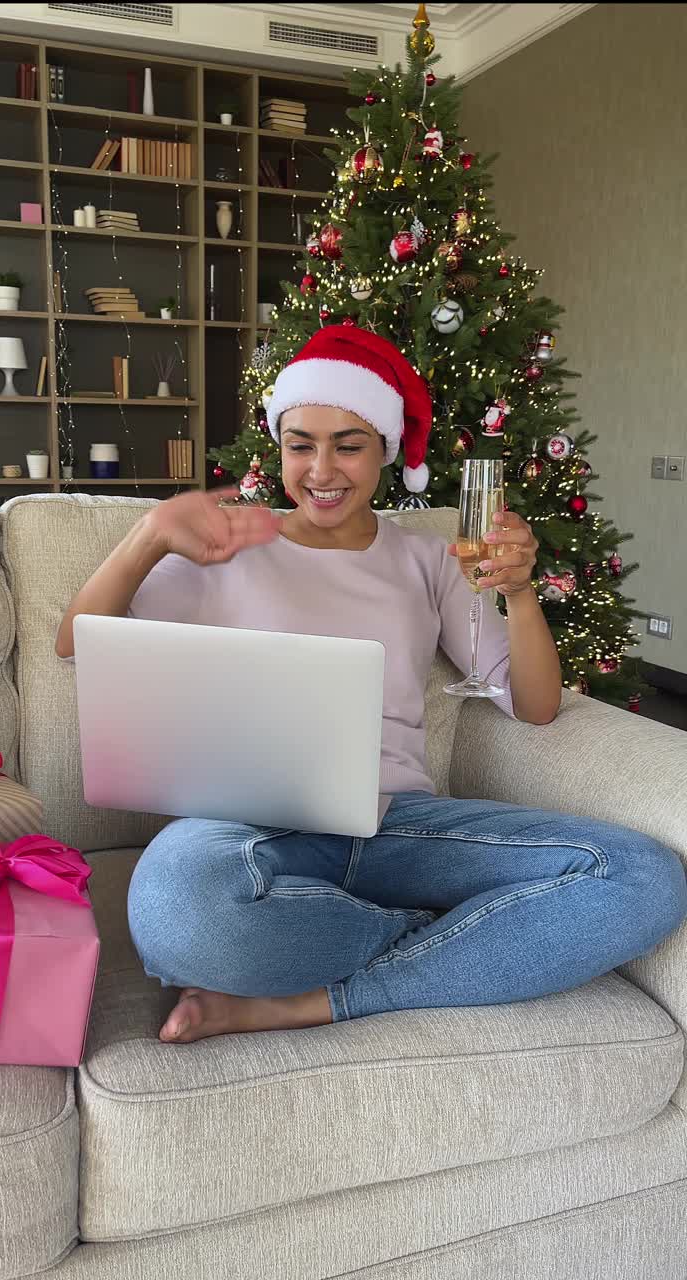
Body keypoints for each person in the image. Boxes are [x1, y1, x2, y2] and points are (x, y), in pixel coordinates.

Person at [56, 325, 687, 1046]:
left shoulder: (426, 560)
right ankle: (448, 938)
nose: (322, 469)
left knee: (643, 877)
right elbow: (77, 644)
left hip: (398, 827)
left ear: (386, 449)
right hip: (247, 834)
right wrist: (149, 534)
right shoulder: (221, 547)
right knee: (176, 912)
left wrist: (521, 594)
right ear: (280, 445)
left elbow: (536, 707)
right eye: (301, 444)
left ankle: (318, 999)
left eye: (348, 444)